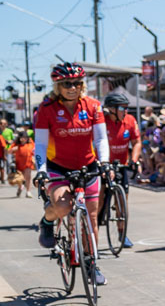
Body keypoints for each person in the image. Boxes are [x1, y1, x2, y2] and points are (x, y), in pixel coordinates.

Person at [34, 62, 110, 285]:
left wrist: (104, 162)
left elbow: (100, 138)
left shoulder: (93, 106)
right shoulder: (46, 109)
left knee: (92, 217)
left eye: (77, 83)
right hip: (58, 167)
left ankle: (91, 263)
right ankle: (47, 222)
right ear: (58, 85)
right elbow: (39, 144)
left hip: (88, 166)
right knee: (63, 206)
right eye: (67, 83)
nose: (72, 87)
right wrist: (40, 170)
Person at [101, 93, 140, 249]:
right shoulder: (101, 122)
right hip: (103, 165)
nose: (126, 111)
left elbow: (136, 142)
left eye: (126, 107)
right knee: (99, 200)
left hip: (121, 165)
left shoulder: (129, 120)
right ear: (111, 109)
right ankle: (91, 229)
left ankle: (122, 233)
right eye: (122, 108)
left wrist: (134, 160)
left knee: (122, 203)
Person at [13, 129, 36, 198]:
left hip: (28, 163)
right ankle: (20, 187)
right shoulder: (16, 144)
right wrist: (13, 149)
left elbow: (35, 149)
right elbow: (9, 150)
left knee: (28, 177)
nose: (24, 139)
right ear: (19, 138)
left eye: (25, 137)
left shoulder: (30, 143)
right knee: (20, 179)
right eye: (22, 137)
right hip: (18, 164)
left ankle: (28, 192)